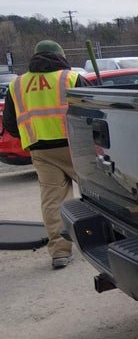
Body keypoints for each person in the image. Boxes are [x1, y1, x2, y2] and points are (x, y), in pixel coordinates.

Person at [2, 40, 89, 269]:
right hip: (76, 146)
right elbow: (94, 109)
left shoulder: (17, 84)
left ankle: (60, 253)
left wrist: (32, 136)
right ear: (60, 56)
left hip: (41, 150)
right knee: (102, 194)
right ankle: (110, 240)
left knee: (52, 201)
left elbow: (10, 123)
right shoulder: (70, 78)